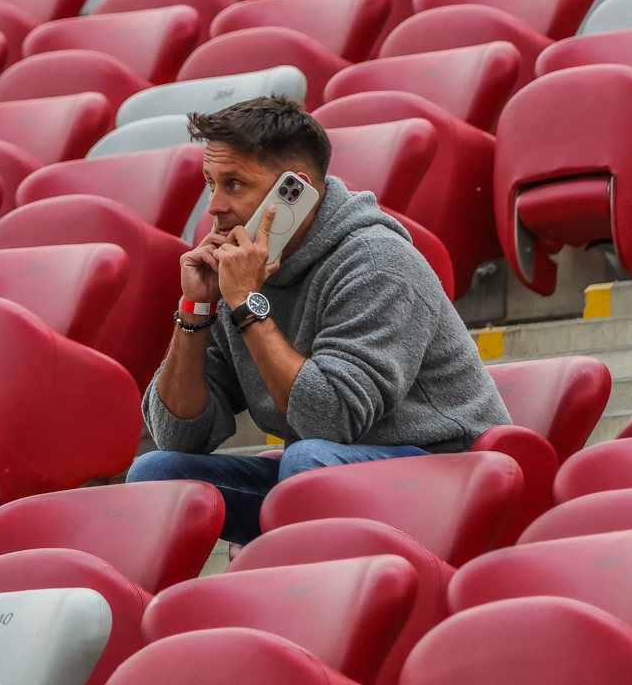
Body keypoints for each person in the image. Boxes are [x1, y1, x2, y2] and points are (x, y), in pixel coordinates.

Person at [126, 95, 510, 544]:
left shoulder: (376, 261)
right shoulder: (237, 270)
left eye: (234, 184)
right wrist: (196, 307)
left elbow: (332, 421)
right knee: (157, 472)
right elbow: (176, 437)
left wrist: (249, 304)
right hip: (324, 469)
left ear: (294, 191)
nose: (214, 206)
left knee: (308, 463)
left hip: (448, 470)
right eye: (210, 182)